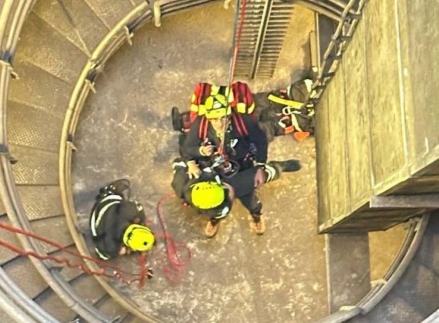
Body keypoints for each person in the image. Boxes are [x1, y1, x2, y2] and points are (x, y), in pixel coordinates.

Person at [171, 157, 300, 237]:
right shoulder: (180, 184)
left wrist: (190, 163)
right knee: (217, 215)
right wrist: (189, 162)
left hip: (226, 171)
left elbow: (178, 162)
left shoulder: (181, 182)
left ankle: (256, 214)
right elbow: (178, 161)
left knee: (254, 200)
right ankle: (215, 220)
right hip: (219, 178)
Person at [181, 93, 269, 172]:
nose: (220, 124)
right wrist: (200, 152)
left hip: (241, 165)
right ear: (208, 118)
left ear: (230, 116)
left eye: (223, 118)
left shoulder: (242, 122)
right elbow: (187, 147)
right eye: (214, 119)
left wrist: (260, 165)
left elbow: (261, 139)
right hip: (210, 168)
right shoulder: (201, 125)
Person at [89, 180, 155, 260]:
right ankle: (108, 191)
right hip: (97, 221)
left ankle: (109, 192)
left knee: (119, 201)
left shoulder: (132, 211)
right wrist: (120, 250)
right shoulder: (111, 248)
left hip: (105, 205)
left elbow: (135, 206)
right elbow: (102, 255)